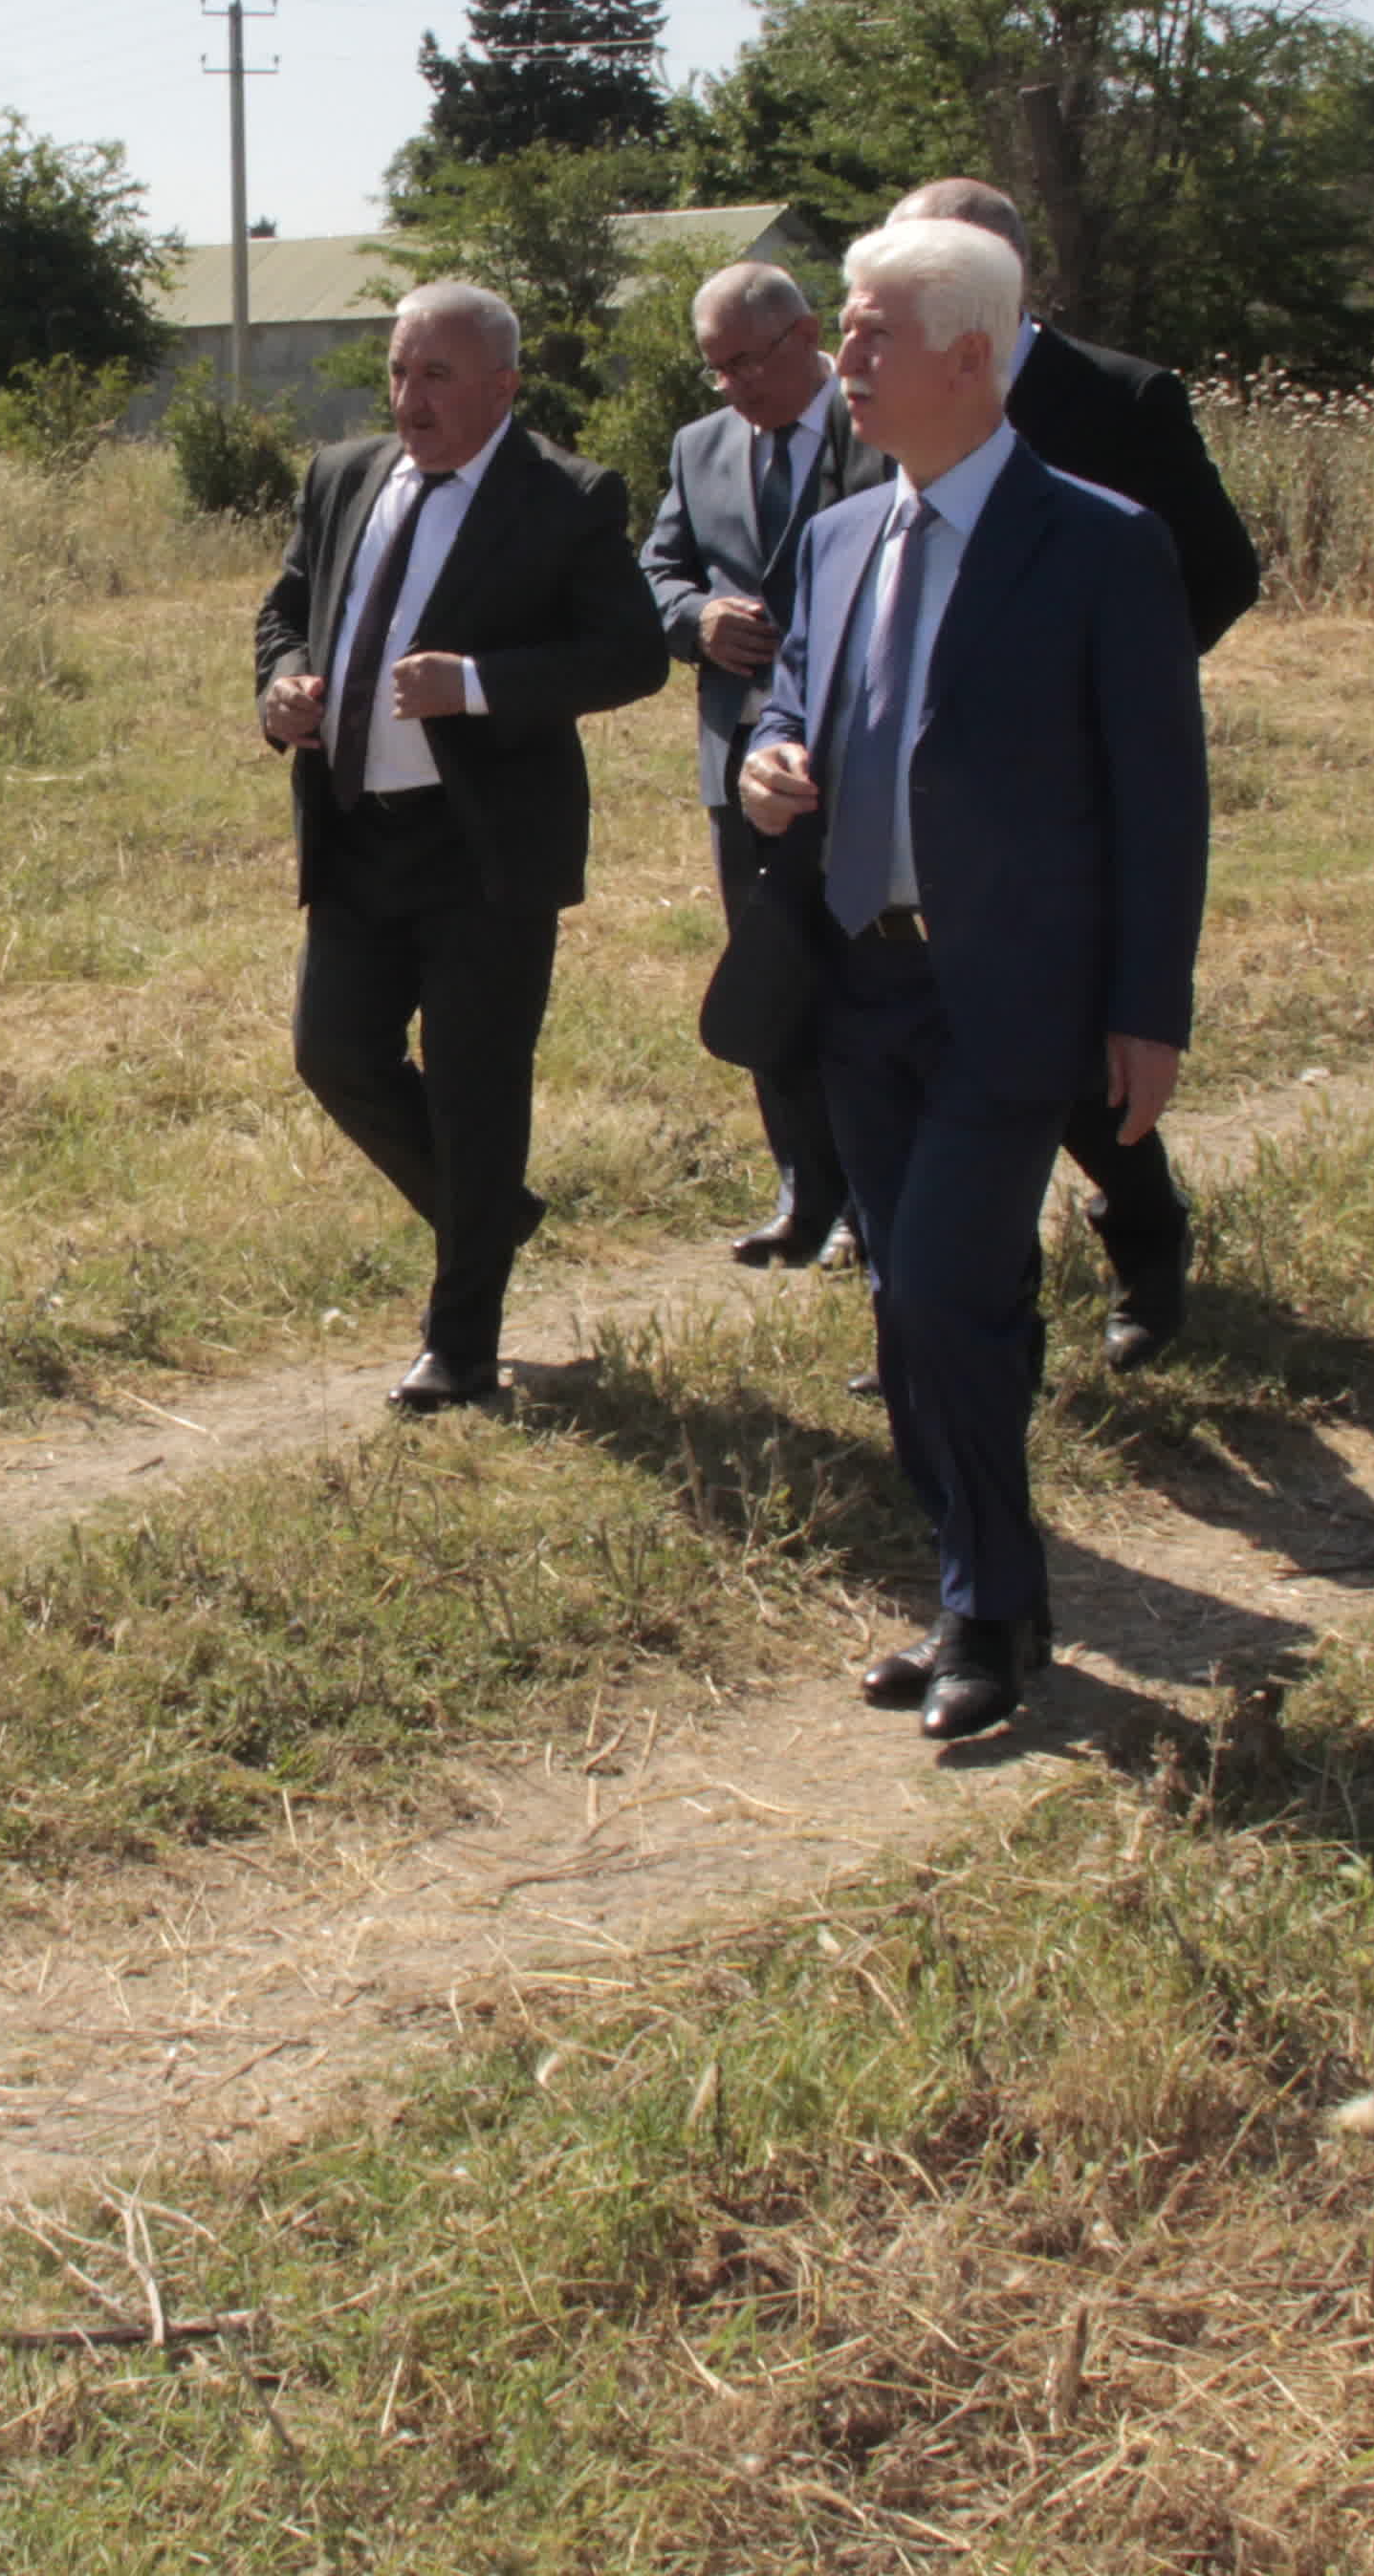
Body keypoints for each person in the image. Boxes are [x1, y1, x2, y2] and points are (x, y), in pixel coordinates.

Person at [738, 215, 1208, 1739]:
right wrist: (768, 758)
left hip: (1011, 996)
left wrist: (1148, 1012)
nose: (844, 356)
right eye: (847, 328)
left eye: (872, 331)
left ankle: (988, 1614)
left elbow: (1161, 800)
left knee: (944, 1290)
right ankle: (981, 1590)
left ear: (971, 357)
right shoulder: (834, 539)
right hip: (857, 987)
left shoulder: (1102, 544)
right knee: (911, 1303)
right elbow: (792, 694)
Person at [253, 281, 668, 1413]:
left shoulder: (565, 498)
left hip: (485, 848)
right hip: (356, 830)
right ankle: (488, 1210)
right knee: (335, 1054)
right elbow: (288, 607)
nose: (410, 400)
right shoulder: (345, 476)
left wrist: (478, 684)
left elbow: (632, 655)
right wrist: (282, 685)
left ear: (503, 386)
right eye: (398, 372)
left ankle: (461, 1344)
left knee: (478, 1091)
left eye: (437, 376)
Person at [884, 178, 1261, 1369]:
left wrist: (1112, 694)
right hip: (932, 793)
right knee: (944, 1042)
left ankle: (1145, 1242)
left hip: (1070, 793)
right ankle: (961, 1303)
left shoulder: (1119, 398)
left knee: (1077, 1042)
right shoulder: (892, 392)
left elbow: (1221, 568)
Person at [638, 260, 886, 1266]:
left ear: (809, 335)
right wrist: (698, 619)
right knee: (769, 973)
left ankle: (872, 1203)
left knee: (863, 982)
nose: (735, 383)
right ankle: (804, 1192)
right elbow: (657, 569)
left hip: (855, 757)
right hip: (738, 759)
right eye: (718, 366)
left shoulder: (880, 428)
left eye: (750, 360)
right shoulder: (698, 447)